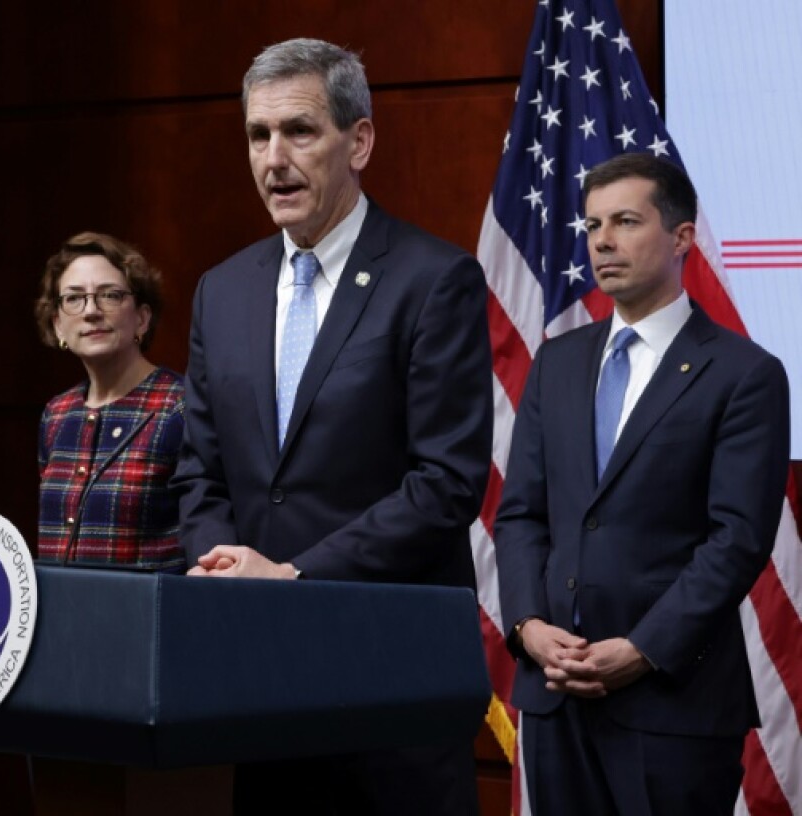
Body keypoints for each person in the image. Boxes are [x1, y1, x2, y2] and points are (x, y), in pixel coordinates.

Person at [173, 38, 492, 814]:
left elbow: (443, 484)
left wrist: (295, 578)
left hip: (391, 684)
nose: (274, 158)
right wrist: (221, 565)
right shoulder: (223, 290)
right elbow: (199, 471)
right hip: (258, 686)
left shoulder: (433, 280)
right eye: (258, 135)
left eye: (300, 131)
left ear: (360, 141)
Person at [495, 153, 790, 816]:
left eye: (626, 221)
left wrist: (642, 649)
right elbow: (520, 516)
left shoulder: (745, 374)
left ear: (681, 237)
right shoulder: (558, 363)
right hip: (554, 693)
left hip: (671, 703)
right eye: (593, 224)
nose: (602, 240)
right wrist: (527, 625)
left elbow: (737, 539)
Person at [35, 231, 185, 572]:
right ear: (58, 324)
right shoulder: (56, 415)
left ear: (142, 319)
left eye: (110, 295)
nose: (91, 311)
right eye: (74, 299)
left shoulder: (180, 407)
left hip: (147, 618)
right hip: (62, 619)